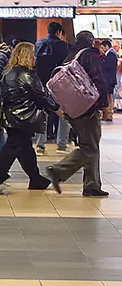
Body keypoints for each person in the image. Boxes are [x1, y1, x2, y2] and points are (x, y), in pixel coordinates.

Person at [0, 43, 58, 192]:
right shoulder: (28, 75)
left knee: (25, 149)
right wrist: (56, 108)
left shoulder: (9, 73)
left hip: (12, 117)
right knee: (12, 148)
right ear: (27, 56)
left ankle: (35, 178)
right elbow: (40, 97)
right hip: (23, 119)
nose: (35, 58)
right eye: (33, 54)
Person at [47, 31, 111, 197]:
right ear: (91, 42)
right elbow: (99, 79)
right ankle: (58, 171)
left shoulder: (70, 56)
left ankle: (92, 185)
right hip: (88, 107)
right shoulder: (90, 55)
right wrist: (104, 106)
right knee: (89, 147)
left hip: (72, 108)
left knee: (90, 144)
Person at [34, 22, 71, 155]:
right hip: (58, 84)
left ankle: (40, 146)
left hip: (41, 83)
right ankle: (61, 144)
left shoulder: (39, 44)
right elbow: (66, 65)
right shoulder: (62, 45)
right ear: (59, 32)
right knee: (63, 112)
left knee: (43, 113)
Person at [100, 39, 117, 121]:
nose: (102, 49)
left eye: (103, 47)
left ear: (107, 46)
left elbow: (107, 66)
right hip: (109, 79)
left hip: (109, 80)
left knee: (109, 97)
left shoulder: (111, 55)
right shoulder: (111, 54)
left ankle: (109, 114)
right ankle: (107, 114)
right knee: (108, 96)